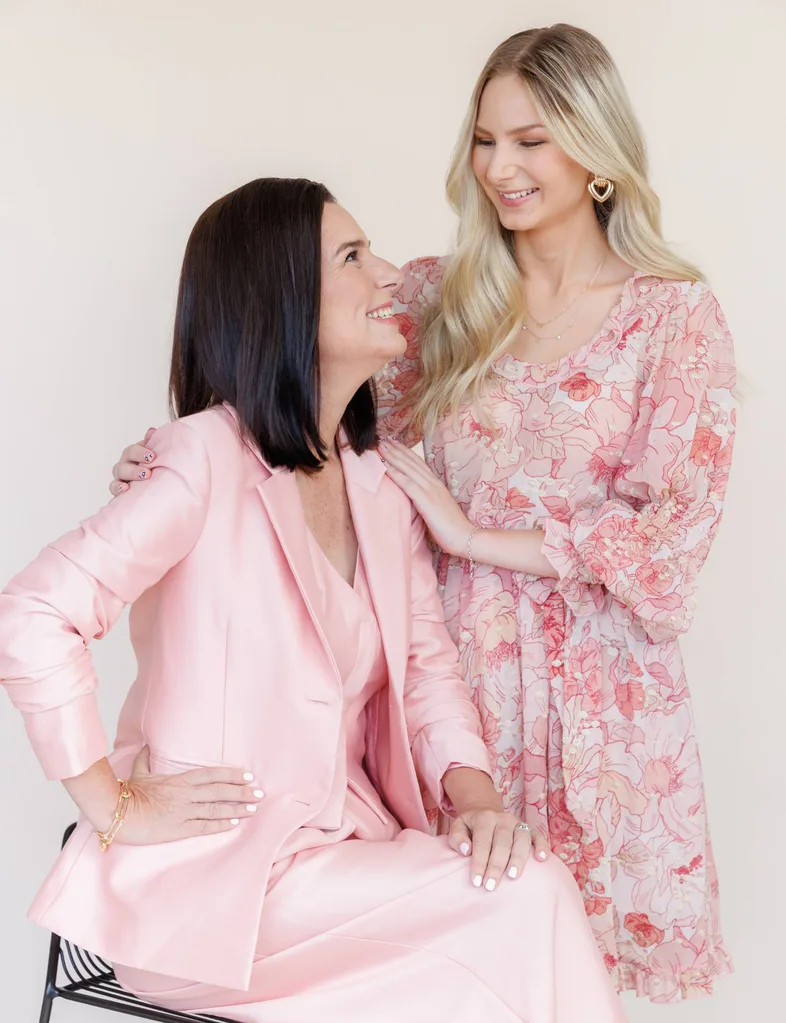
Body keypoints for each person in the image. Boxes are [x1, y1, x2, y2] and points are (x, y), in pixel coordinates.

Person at [114, 23, 736, 1005]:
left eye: (532, 140)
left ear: (596, 150)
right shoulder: (440, 298)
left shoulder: (673, 318)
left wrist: (477, 537)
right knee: (442, 967)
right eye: (485, 140)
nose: (500, 167)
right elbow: (302, 406)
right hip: (450, 694)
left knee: (575, 973)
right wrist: (182, 455)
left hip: (603, 706)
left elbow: (669, 546)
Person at [0, 178, 626, 1022]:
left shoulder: (377, 485)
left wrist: (477, 803)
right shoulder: (199, 459)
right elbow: (35, 610)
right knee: (521, 908)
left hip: (350, 863)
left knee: (519, 886)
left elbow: (426, 667)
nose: (392, 273)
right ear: (280, 296)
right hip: (211, 894)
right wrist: (107, 802)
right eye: (354, 257)